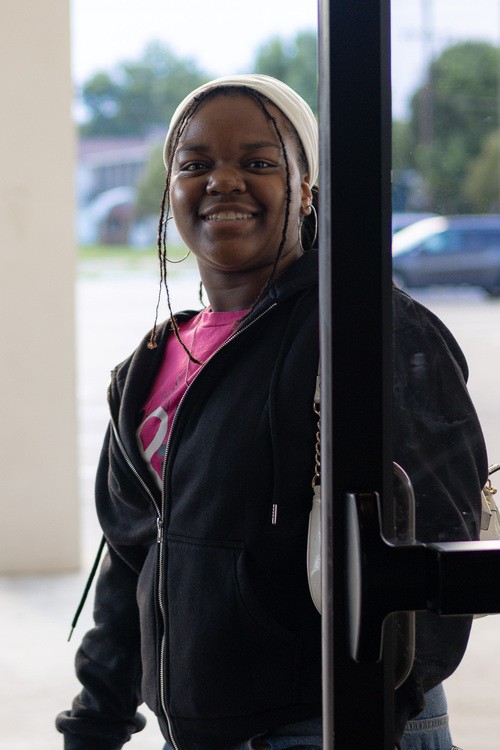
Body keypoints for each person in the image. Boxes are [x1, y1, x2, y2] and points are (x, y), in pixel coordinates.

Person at [56, 74, 487, 750]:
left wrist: (372, 708)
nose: (223, 181)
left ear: (306, 189)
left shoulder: (368, 331)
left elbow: (435, 548)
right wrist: (95, 721)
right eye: (195, 164)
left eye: (258, 163)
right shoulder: (147, 367)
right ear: (170, 191)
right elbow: (132, 561)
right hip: (199, 732)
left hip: (335, 725)